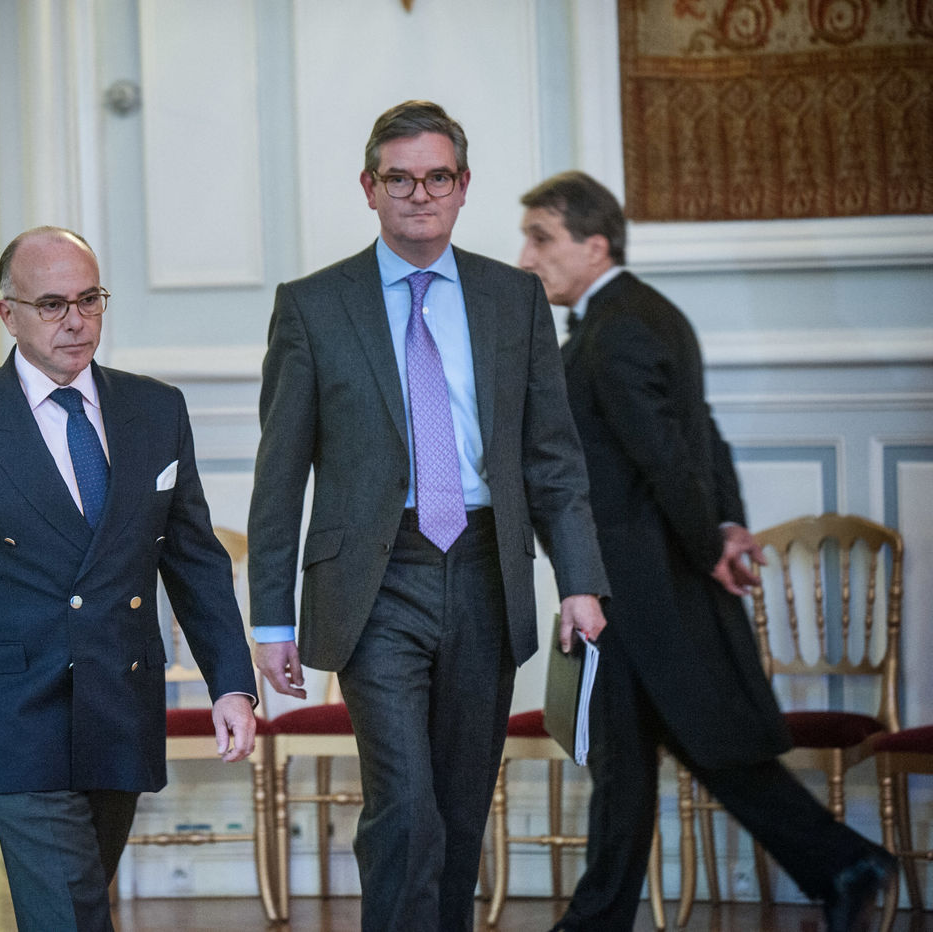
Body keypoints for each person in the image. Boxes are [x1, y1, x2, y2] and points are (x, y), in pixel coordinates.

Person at [247, 100, 610, 931]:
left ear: (463, 186)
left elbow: (552, 457)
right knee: (405, 805)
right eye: (400, 179)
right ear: (369, 188)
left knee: (457, 806)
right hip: (375, 582)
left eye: (437, 178)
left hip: (485, 570)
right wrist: (271, 619)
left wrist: (580, 581)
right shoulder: (313, 305)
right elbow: (280, 475)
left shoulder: (515, 298)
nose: (420, 195)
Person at [517, 170, 896, 932]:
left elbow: (665, 455)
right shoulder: (650, 314)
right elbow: (703, 433)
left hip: (637, 587)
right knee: (639, 758)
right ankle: (839, 864)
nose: (526, 257)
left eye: (541, 239)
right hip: (650, 579)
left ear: (595, 246)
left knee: (674, 752)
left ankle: (843, 862)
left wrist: (709, 543)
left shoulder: (614, 331)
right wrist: (723, 527)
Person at [0, 226, 257, 932]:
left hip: (120, 698)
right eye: (52, 305)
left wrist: (230, 682)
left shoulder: (155, 410)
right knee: (70, 906)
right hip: (11, 711)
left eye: (89, 300)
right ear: (8, 314)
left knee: (77, 898)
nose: (76, 321)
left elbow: (196, 561)